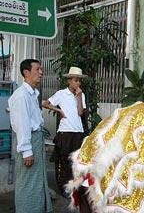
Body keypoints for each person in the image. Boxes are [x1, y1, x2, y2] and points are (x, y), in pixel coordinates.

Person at [8, 59, 53, 213]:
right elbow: (22, 125)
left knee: (37, 181)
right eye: (38, 69)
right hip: (28, 142)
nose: (41, 72)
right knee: (28, 183)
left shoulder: (32, 94)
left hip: (35, 140)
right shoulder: (21, 96)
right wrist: (27, 150)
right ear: (26, 73)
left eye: (41, 69)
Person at [42, 66, 87, 197]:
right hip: (65, 132)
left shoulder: (81, 94)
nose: (78, 83)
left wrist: (78, 97)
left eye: (79, 81)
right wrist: (59, 111)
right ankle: (64, 189)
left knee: (76, 161)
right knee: (64, 161)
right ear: (69, 81)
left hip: (78, 132)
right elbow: (45, 103)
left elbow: (80, 112)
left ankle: (74, 188)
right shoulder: (61, 94)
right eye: (75, 80)